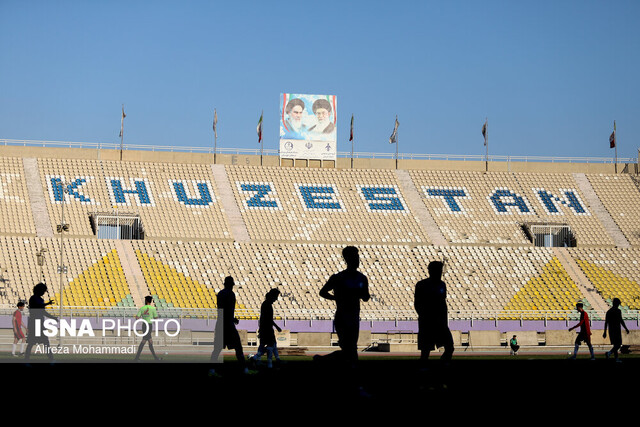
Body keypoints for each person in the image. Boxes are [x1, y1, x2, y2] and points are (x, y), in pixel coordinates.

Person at [319, 246, 370, 365]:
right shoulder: (340, 277)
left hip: (352, 316)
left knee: (350, 348)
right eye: (355, 257)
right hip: (344, 316)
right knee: (350, 348)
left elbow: (366, 297)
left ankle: (324, 361)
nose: (357, 259)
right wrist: (337, 298)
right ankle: (323, 360)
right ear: (347, 259)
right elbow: (322, 292)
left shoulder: (361, 278)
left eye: (357, 256)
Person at [414, 261, 454, 369]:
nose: (440, 273)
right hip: (428, 321)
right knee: (426, 351)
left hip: (439, 322)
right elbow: (417, 304)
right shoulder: (422, 285)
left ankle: (441, 365)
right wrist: (424, 316)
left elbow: (442, 303)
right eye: (438, 270)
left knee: (449, 347)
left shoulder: (442, 284)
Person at [210, 276, 252, 375]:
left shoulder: (220, 294)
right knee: (238, 347)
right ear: (231, 285)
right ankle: (244, 369)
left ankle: (211, 370)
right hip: (228, 324)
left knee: (217, 349)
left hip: (220, 323)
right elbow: (228, 310)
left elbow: (221, 310)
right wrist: (232, 319)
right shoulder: (231, 294)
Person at [249, 288, 282, 368]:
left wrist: (261, 328)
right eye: (276, 296)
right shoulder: (267, 305)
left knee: (267, 344)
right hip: (267, 328)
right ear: (273, 296)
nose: (276, 299)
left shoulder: (265, 304)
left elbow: (263, 317)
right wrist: (276, 327)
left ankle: (264, 361)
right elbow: (268, 319)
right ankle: (257, 358)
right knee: (270, 345)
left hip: (264, 328)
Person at [24, 283, 57, 362]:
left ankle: (51, 359)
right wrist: (47, 304)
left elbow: (43, 311)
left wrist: (53, 317)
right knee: (32, 342)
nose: (43, 293)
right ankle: (26, 359)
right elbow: (38, 305)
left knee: (45, 342)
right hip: (34, 323)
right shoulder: (33, 298)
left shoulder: (41, 299)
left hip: (40, 323)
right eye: (43, 291)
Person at [134, 295, 161, 362]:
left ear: (146, 301)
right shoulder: (153, 309)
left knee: (149, 341)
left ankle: (155, 358)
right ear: (151, 301)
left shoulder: (142, 308)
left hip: (144, 325)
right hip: (149, 325)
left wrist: (143, 316)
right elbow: (155, 318)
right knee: (145, 340)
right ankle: (137, 358)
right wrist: (158, 316)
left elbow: (137, 317)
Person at [603, 298, 630, 362]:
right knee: (618, 344)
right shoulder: (618, 311)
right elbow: (621, 321)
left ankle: (616, 358)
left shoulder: (609, 311)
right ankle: (609, 353)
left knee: (616, 344)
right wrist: (626, 328)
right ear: (617, 304)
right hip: (617, 329)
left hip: (611, 330)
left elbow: (606, 322)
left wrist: (605, 332)